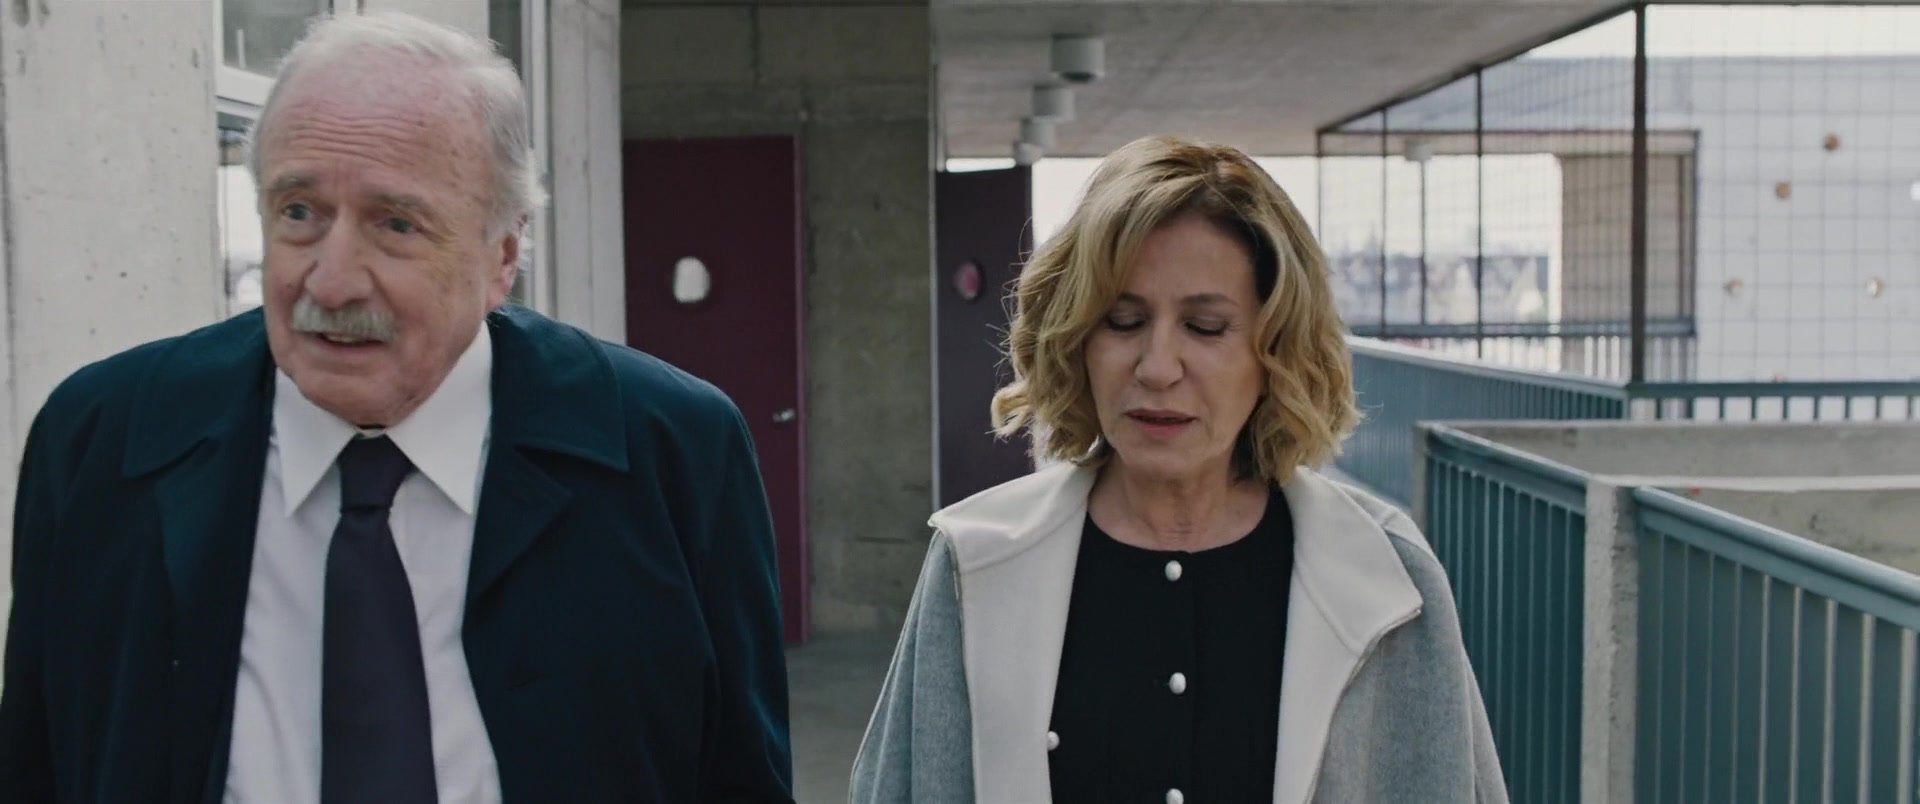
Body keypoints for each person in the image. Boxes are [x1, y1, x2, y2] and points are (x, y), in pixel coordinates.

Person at [0, 12, 793, 803]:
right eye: (299, 212)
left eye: (396, 224)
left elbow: (739, 778)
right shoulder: (103, 441)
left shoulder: (669, 449)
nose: (332, 281)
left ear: (502, 255)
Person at [849, 135, 1506, 803]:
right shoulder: (975, 564)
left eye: (1205, 326)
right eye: (1123, 320)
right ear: (1076, 339)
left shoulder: (1388, 575)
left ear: (1276, 350)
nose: (1158, 367)